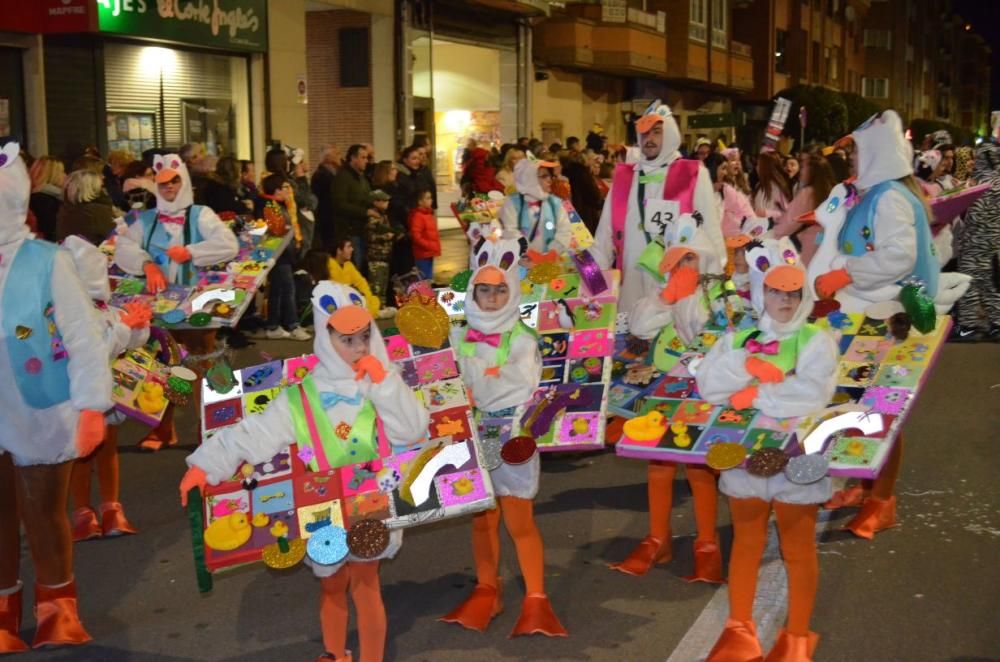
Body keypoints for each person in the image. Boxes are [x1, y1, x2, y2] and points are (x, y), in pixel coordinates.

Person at [179, 281, 429, 662]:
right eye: (347, 340)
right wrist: (204, 465)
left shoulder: (384, 382)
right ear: (326, 340)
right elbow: (255, 433)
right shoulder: (300, 395)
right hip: (320, 509)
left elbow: (412, 430)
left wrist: (384, 384)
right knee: (331, 586)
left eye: (365, 336)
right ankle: (334, 654)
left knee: (366, 585)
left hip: (371, 502)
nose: (359, 348)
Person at [698, 238, 838, 661]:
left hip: (797, 455)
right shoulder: (741, 339)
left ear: (804, 293)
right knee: (746, 541)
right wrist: (748, 366)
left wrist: (753, 392)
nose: (784, 299)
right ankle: (738, 628)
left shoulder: (817, 340)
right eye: (775, 290)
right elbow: (709, 385)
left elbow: (812, 396)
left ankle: (795, 636)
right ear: (762, 291)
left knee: (797, 547)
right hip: (744, 455)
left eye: (793, 291)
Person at [0, 140, 113, 651]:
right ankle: (3, 613)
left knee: (43, 510)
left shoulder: (49, 261)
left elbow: (82, 334)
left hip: (38, 406)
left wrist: (92, 405)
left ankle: (57, 611)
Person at [813, 111, 939, 538]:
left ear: (878, 154)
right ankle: (861, 483)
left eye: (856, 152)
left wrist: (845, 273)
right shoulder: (874, 193)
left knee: (879, 408)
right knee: (853, 400)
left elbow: (897, 257)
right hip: (862, 313)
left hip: (883, 316)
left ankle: (882, 500)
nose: (850, 160)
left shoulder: (889, 198)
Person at [440, 237, 568, 638]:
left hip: (512, 437)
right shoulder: (458, 334)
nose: (492, 298)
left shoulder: (523, 338)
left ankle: (536, 598)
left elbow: (513, 389)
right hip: (469, 437)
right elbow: (445, 383)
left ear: (512, 291)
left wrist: (474, 375)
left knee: (519, 521)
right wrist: (482, 377)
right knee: (482, 519)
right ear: (472, 290)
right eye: (484, 289)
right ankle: (486, 589)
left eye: (500, 290)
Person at [613, 214, 725, 583]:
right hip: (667, 385)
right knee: (658, 461)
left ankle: (707, 542)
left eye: (689, 259)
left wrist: (692, 296)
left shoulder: (720, 293)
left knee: (698, 465)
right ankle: (658, 538)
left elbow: (712, 335)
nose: (682, 267)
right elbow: (641, 326)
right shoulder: (669, 288)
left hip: (705, 387)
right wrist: (666, 296)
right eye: (677, 261)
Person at [590, 99, 725, 315]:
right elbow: (603, 239)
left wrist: (716, 291)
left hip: (677, 293)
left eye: (657, 132)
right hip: (631, 290)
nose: (649, 139)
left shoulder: (693, 174)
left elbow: (711, 233)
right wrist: (591, 288)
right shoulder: (624, 178)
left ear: (670, 133)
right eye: (644, 133)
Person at [63, 235, 152, 542]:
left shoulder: (88, 309)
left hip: (96, 392)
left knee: (97, 452)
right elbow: (100, 346)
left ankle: (104, 510)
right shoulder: (76, 314)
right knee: (86, 453)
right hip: (82, 395)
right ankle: (88, 513)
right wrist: (128, 327)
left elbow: (124, 339)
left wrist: (137, 325)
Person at [953, 142, 1000, 342]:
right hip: (994, 246)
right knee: (992, 285)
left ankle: (968, 327)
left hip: (974, 244)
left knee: (969, 284)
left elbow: (973, 216)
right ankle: (997, 324)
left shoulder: (979, 185)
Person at [256, 175, 310, 341]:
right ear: (276, 190)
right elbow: (276, 232)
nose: (287, 191)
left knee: (278, 290)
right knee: (287, 289)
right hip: (278, 254)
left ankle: (273, 326)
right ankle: (293, 325)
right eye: (283, 188)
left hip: (283, 253)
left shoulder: (279, 205)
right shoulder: (269, 206)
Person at [498, 155, 572, 257]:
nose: (550, 180)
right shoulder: (512, 203)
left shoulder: (555, 203)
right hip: (521, 263)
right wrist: (530, 255)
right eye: (544, 176)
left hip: (550, 263)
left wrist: (552, 253)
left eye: (550, 175)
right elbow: (509, 232)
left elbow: (564, 230)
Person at [775, 153, 836, 265]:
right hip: (826, 245)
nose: (800, 171)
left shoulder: (807, 194)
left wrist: (772, 237)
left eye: (803, 167)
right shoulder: (832, 192)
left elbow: (790, 223)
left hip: (808, 246)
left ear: (812, 171)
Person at [305, 242, 381, 319]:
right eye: (349, 247)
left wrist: (367, 298)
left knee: (373, 300)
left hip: (347, 302)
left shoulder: (348, 265)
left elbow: (361, 283)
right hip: (336, 308)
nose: (352, 249)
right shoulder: (328, 268)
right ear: (339, 250)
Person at [332, 144, 376, 270]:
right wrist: (365, 212)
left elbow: (366, 196)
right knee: (354, 264)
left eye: (367, 158)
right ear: (353, 158)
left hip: (362, 229)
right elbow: (340, 204)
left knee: (362, 264)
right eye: (363, 157)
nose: (366, 161)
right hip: (350, 230)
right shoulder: (343, 177)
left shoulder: (362, 178)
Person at [55, 170, 117, 245]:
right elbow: (114, 237)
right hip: (94, 253)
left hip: (69, 252)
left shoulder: (65, 208)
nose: (103, 189)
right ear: (93, 188)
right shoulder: (96, 210)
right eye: (101, 186)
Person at [704, 153, 755, 240]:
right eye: (723, 168)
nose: (726, 172)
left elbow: (746, 211)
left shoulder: (726, 190)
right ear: (713, 169)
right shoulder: (700, 190)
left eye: (726, 169)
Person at [365, 190, 397, 314]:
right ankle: (376, 308)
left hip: (384, 256)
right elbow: (370, 237)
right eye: (383, 201)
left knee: (383, 284)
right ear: (375, 202)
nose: (386, 203)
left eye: (387, 201)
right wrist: (385, 237)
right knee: (376, 285)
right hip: (376, 256)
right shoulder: (373, 218)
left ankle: (382, 307)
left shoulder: (384, 216)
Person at [564, 154, 603, 236]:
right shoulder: (584, 173)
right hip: (586, 210)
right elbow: (593, 193)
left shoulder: (566, 172)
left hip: (571, 209)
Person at [28, 156, 66, 241]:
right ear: (53, 175)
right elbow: (50, 230)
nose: (65, 175)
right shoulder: (47, 200)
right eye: (62, 172)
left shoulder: (30, 196)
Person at [312, 145, 341, 251]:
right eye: (337, 154)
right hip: (326, 219)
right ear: (328, 158)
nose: (340, 157)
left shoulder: (334, 173)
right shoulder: (320, 175)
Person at [409, 189, 439, 282]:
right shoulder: (418, 216)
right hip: (423, 253)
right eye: (428, 198)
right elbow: (416, 236)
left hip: (429, 252)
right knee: (424, 279)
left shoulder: (428, 214)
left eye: (431, 198)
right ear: (420, 202)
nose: (431, 200)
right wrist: (428, 245)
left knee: (428, 278)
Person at [752, 151, 792, 219]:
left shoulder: (777, 188)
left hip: (773, 228)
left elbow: (787, 213)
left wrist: (767, 213)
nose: (757, 168)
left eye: (759, 165)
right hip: (759, 226)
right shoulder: (759, 186)